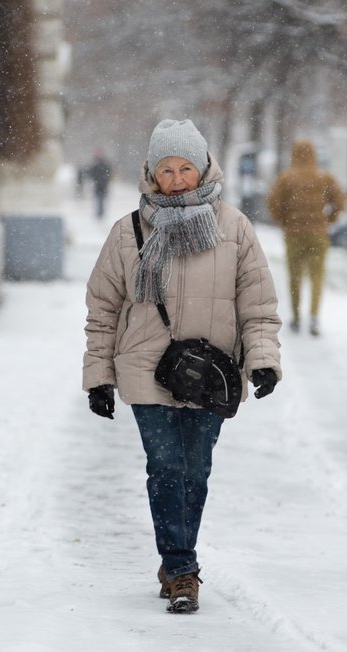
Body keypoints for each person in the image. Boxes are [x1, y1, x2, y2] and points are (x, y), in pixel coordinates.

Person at [83, 119, 282, 614]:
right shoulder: (128, 231)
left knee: (196, 470)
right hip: (144, 369)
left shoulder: (234, 227)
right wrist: (99, 377)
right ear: (151, 172)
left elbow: (257, 304)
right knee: (166, 467)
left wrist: (262, 362)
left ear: (203, 167)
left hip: (211, 374)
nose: (175, 179)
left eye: (185, 168)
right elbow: (102, 310)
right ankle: (180, 568)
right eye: (166, 169)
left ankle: (176, 558)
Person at [267, 139, 347, 337]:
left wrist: (285, 220)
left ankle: (296, 317)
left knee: (295, 276)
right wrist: (329, 219)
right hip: (319, 234)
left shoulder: (287, 178)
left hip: (294, 235)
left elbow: (272, 202)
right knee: (317, 276)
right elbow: (341, 200)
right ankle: (314, 316)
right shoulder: (324, 178)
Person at [85, 148, 113, 220]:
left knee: (101, 199)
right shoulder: (95, 163)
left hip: (102, 185)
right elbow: (91, 172)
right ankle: (99, 213)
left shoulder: (104, 163)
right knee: (98, 199)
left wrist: (104, 179)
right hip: (98, 185)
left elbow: (109, 173)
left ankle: (100, 213)